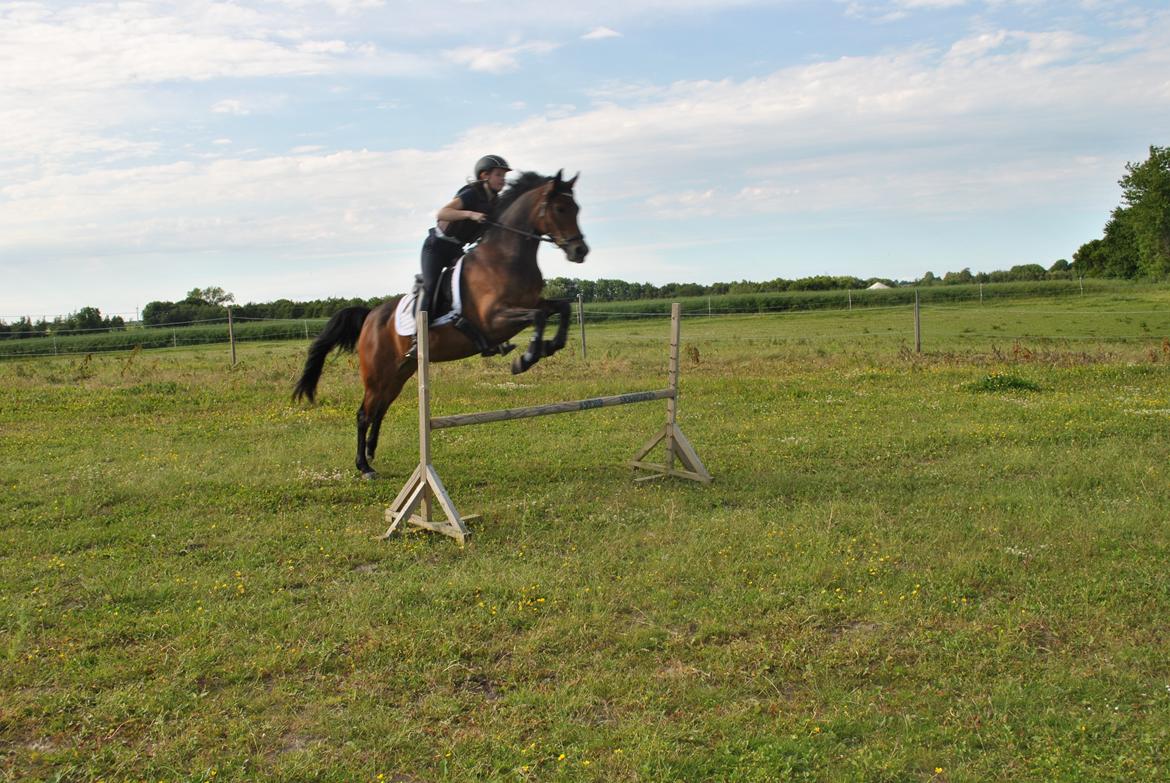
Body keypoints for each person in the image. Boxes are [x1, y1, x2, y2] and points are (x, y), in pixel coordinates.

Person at [417, 154, 511, 320]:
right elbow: (442, 213)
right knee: (431, 287)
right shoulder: (471, 194)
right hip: (436, 248)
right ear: (484, 175)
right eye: (498, 175)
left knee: (477, 282)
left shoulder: (495, 203)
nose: (503, 179)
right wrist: (470, 214)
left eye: (504, 176)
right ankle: (418, 333)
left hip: (456, 250)